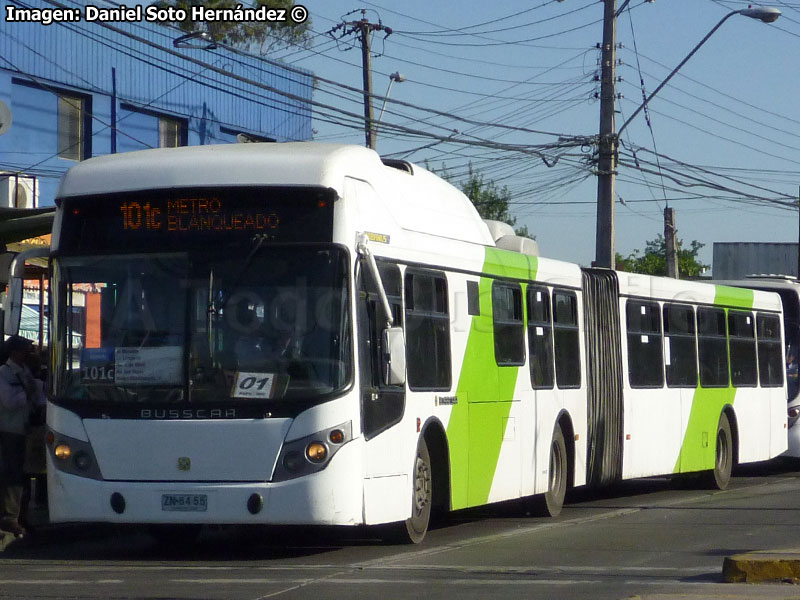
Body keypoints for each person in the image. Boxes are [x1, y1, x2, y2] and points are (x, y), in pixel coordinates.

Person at [0, 336, 46, 538]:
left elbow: (37, 397)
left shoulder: (26, 372)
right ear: (14, 352)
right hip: (10, 431)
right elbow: (9, 401)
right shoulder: (4, 373)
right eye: (24, 350)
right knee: (13, 475)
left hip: (27, 431)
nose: (28, 354)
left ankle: (22, 515)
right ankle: (10, 518)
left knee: (27, 474)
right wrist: (28, 392)